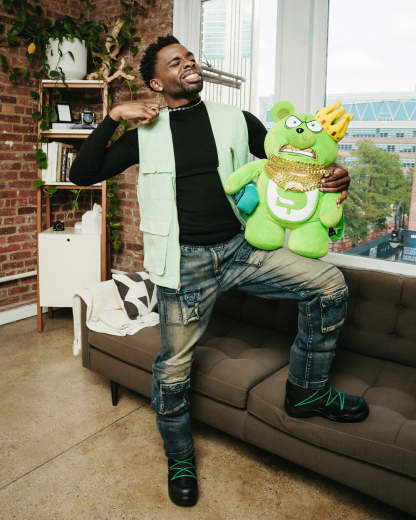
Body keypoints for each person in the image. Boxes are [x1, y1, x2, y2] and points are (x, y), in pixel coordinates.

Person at [69, 35, 369, 508]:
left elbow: (290, 166)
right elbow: (82, 174)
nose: (188, 63)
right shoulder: (145, 134)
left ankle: (307, 392)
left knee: (329, 284)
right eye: (175, 62)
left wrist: (333, 178)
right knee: (173, 368)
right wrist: (113, 117)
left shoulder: (236, 119)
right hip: (184, 265)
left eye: (189, 58)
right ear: (156, 83)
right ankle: (179, 455)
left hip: (240, 250)